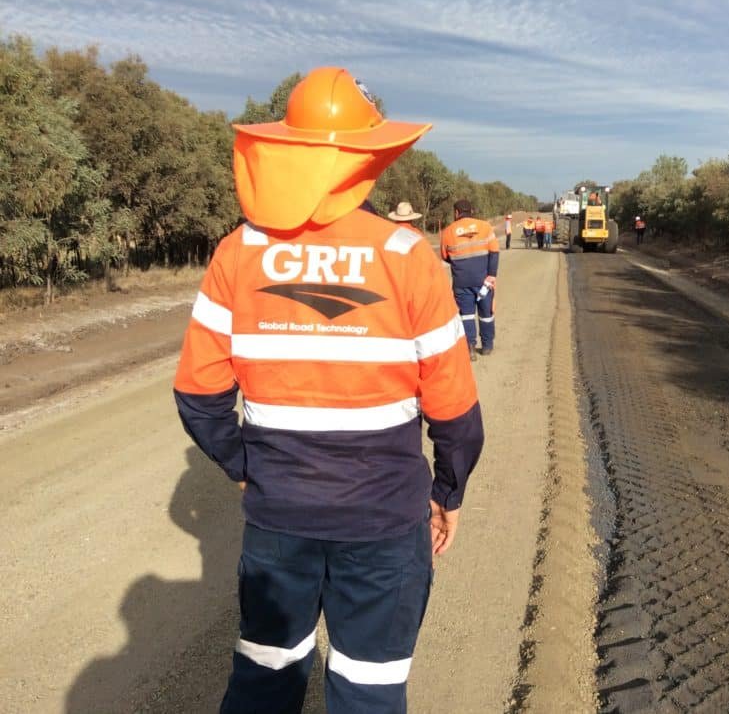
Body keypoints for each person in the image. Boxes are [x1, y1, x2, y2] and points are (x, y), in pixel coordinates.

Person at [173, 66, 484, 714]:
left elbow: (198, 396)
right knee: (368, 688)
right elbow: (455, 412)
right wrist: (446, 491)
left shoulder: (238, 251)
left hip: (278, 518)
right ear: (365, 160)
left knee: (265, 676)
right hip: (385, 522)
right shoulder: (408, 255)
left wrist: (242, 467)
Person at [440, 199, 499, 358]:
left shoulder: (448, 232)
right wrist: (491, 275)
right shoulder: (485, 226)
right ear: (471, 211)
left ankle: (470, 348)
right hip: (484, 280)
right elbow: (494, 252)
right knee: (486, 314)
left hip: (462, 282)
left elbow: (445, 257)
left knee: (466, 315)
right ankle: (487, 346)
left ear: (456, 213)